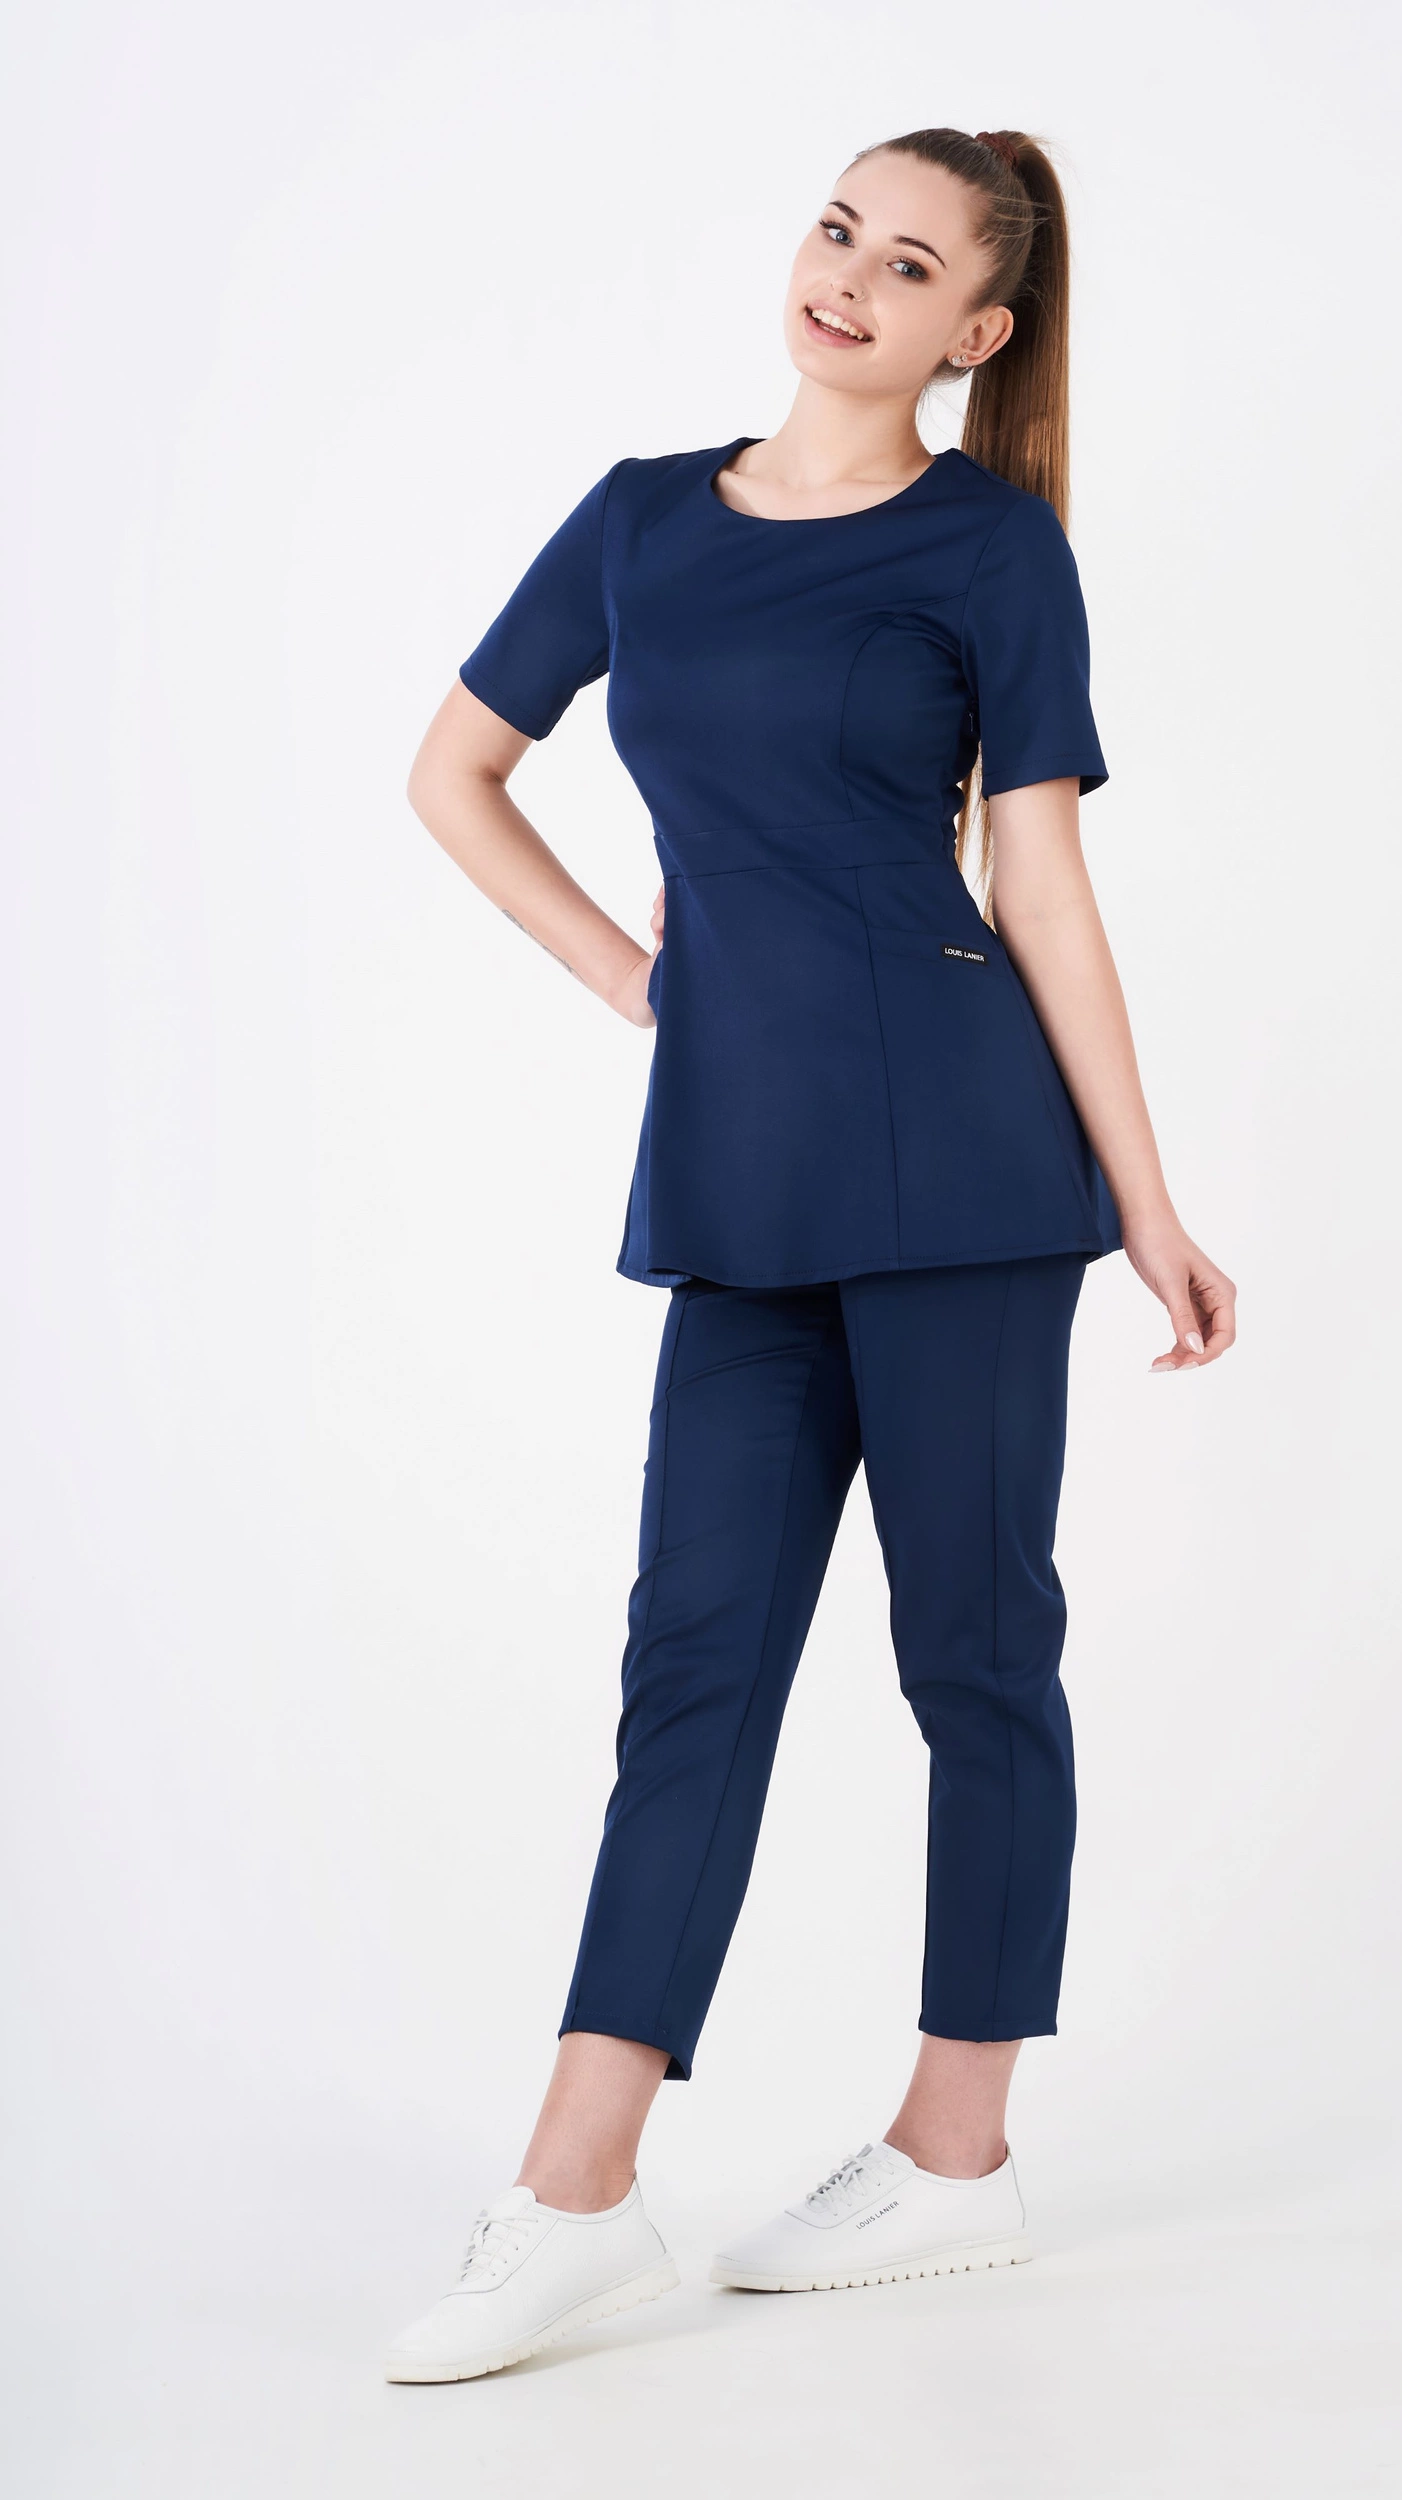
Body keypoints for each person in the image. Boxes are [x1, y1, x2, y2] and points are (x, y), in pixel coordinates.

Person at [386, 124, 1235, 2385]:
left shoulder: (992, 545)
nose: (850, 275)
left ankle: (957, 2152)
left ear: (976, 332)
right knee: (692, 1660)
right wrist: (634, 980)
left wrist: (1144, 1200)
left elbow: (1037, 881)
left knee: (974, 1653)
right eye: (838, 228)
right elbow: (453, 773)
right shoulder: (641, 517)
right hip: (743, 1171)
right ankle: (576, 2193)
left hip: (964, 1163)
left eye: (913, 264)